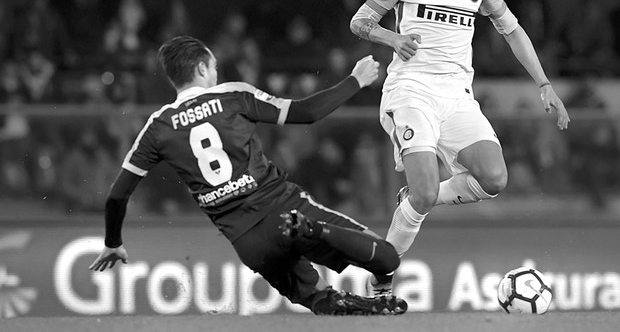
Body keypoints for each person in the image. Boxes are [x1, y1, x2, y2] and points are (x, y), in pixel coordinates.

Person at [88, 35, 407, 316]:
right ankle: (314, 231)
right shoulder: (232, 95)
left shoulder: (157, 127)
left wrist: (113, 242)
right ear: (201, 68)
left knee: (320, 299)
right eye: (213, 67)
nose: (215, 74)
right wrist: (355, 80)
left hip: (248, 242)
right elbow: (305, 113)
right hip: (284, 207)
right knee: (388, 258)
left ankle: (357, 301)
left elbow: (118, 194)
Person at [349, 0, 570, 296]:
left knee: (494, 178)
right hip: (411, 91)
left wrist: (544, 84)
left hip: (456, 95)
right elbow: (360, 20)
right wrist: (392, 37)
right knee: (426, 192)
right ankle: (380, 282)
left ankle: (417, 197)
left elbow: (513, 30)